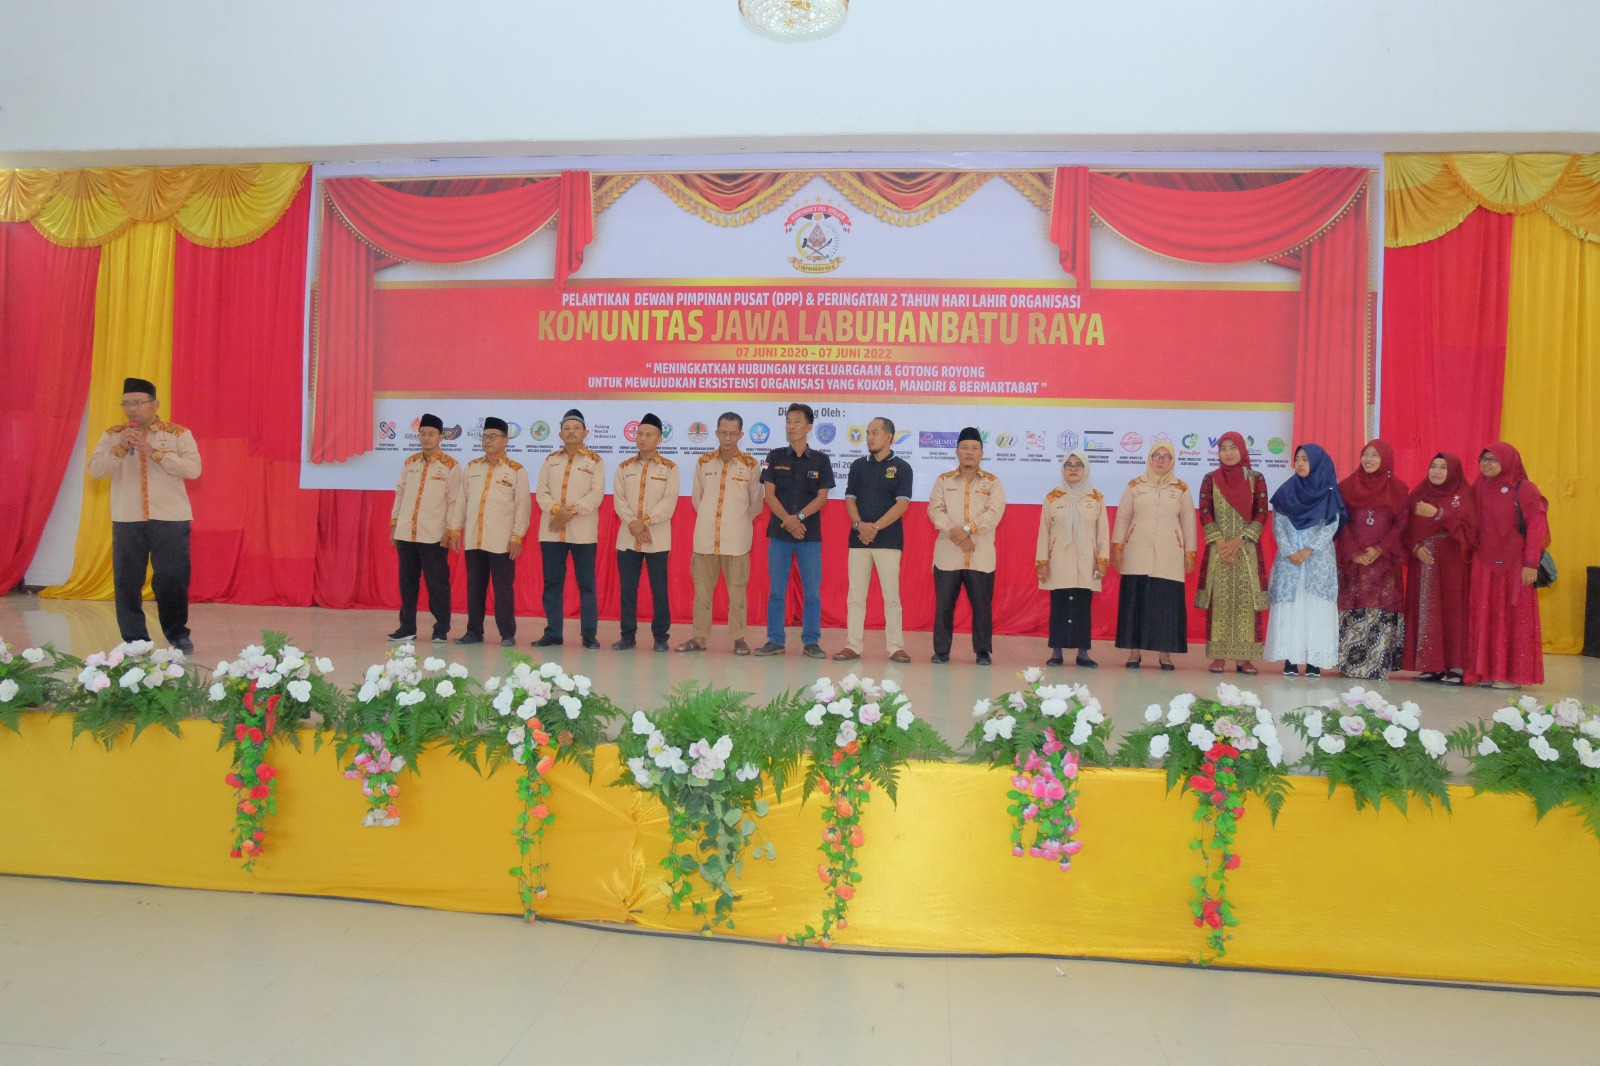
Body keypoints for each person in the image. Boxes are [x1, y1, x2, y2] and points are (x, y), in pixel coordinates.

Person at [87, 377, 203, 653]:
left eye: (138, 403)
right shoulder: (113, 435)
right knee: (127, 581)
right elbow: (95, 470)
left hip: (171, 518)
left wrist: (155, 453)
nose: (132, 409)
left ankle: (177, 634)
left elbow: (193, 470)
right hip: (127, 518)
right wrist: (119, 449)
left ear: (155, 404)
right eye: (126, 404)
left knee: (172, 578)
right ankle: (135, 639)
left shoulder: (177, 433)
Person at [679, 412, 764, 655]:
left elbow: (755, 505)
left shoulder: (751, 465)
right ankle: (699, 638)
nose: (728, 438)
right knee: (702, 590)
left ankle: (739, 638)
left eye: (733, 433)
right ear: (716, 433)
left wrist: (734, 522)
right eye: (723, 433)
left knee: (737, 591)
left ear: (741, 434)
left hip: (736, 541)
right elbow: (698, 500)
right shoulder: (704, 462)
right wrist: (712, 520)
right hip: (705, 538)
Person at [1465, 442, 1548, 689]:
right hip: (1484, 564)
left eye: (1492, 459)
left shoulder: (1525, 489)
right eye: (1483, 459)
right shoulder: (1480, 486)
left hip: (1515, 564)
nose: (1486, 464)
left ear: (1508, 461)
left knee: (1513, 616)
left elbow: (1537, 527)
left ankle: (1511, 675)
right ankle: (1487, 673)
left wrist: (1531, 563)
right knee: (1486, 615)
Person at [754, 403, 834, 659]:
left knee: (812, 592)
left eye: (797, 421)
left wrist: (798, 518)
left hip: (809, 535)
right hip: (780, 534)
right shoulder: (775, 456)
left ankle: (811, 641)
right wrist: (788, 521)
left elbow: (822, 497)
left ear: (809, 427)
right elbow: (769, 494)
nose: (791, 426)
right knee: (777, 591)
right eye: (788, 421)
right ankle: (775, 640)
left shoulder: (821, 460)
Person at [1112, 441, 1196, 671]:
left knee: (1166, 606)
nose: (1160, 460)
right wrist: (1118, 547)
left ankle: (1165, 655)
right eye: (1156, 456)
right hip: (1136, 553)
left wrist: (1190, 552)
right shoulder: (1135, 486)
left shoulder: (1181, 488)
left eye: (1166, 457)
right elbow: (1123, 517)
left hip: (1170, 555)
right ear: (1149, 459)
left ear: (1172, 461)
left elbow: (1188, 523)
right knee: (1135, 604)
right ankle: (1134, 653)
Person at [836, 417, 914, 663]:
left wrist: (875, 528)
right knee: (855, 596)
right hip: (858, 539)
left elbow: (902, 505)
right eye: (868, 433)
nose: (869, 438)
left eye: (874, 433)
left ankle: (896, 647)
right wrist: (860, 525)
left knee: (892, 597)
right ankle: (852, 646)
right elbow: (850, 499)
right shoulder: (858, 465)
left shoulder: (902, 467)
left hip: (888, 541)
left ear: (889, 437)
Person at [1264, 444, 1346, 678]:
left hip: (1317, 561)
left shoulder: (1329, 493)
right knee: (1291, 608)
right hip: (1289, 561)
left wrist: (1309, 550)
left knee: (1314, 608)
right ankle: (1290, 659)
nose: (1300, 464)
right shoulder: (1286, 492)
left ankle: (1314, 661)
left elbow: (1331, 526)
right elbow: (1278, 525)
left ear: (1318, 463)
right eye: (1297, 459)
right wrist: (1290, 552)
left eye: (1305, 459)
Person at [928, 427, 1006, 665]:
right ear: (957, 452)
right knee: (944, 606)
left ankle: (982, 651)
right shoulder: (943, 480)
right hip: (947, 555)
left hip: (980, 555)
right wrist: (960, 536)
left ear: (981, 453)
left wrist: (967, 529)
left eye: (974, 448)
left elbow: (994, 514)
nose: (969, 452)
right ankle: (941, 651)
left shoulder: (993, 482)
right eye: (964, 448)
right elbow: (935, 511)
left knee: (982, 607)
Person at [1335, 439, 1410, 680]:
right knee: (1354, 608)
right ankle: (1350, 664)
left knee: (1381, 611)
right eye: (1365, 454)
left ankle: (1377, 665)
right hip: (1353, 560)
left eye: (1375, 455)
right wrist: (1354, 552)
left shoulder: (1399, 489)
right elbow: (1340, 520)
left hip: (1384, 561)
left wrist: (1379, 548)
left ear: (1385, 459)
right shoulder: (1346, 486)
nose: (1368, 459)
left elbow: (1402, 523)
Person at [1195, 432, 1268, 675]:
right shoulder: (1210, 479)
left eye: (1233, 447)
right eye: (1223, 448)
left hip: (1246, 551)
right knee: (1220, 602)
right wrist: (1221, 543)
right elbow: (1205, 512)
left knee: (1246, 603)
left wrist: (1240, 540)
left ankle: (1244, 659)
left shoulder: (1256, 479)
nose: (1228, 453)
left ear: (1242, 450)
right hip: (1219, 551)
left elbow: (1261, 513)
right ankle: (1218, 656)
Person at [387, 413, 464, 644]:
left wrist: (451, 530)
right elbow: (400, 494)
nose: (426, 438)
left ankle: (441, 629)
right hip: (406, 533)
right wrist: (394, 525)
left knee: (437, 584)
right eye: (422, 433)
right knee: (407, 583)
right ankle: (407, 628)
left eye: (431, 434)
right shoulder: (410, 463)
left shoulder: (450, 465)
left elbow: (454, 501)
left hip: (434, 536)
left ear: (441, 437)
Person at [1401, 453, 1478, 684]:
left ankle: (1456, 666)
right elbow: (1404, 529)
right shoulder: (1419, 494)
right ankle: (1431, 665)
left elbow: (1470, 531)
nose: (1436, 471)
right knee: (1426, 610)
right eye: (1433, 466)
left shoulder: (1464, 495)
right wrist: (1415, 548)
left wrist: (1438, 514)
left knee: (1452, 611)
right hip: (1423, 562)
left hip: (1453, 563)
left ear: (1453, 471)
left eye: (1443, 467)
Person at [533, 409, 605, 650]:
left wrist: (567, 514)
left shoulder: (595, 461)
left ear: (585, 432)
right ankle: (553, 633)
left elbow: (595, 495)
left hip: (583, 533)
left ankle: (589, 635)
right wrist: (556, 510)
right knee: (552, 583)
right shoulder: (550, 460)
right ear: (560, 434)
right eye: (567, 428)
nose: (571, 432)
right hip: (551, 532)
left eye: (576, 428)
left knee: (586, 585)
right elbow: (541, 492)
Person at [456, 417, 529, 647]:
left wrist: (517, 536)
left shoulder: (516, 470)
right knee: (475, 588)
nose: (487, 441)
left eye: (493, 437)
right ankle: (474, 632)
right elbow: (461, 501)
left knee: (503, 589)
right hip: (474, 539)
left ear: (505, 440)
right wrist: (455, 529)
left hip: (501, 541)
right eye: (485, 436)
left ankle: (507, 633)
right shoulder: (471, 467)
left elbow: (523, 506)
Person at [1035, 450, 1109, 668]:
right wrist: (1042, 562)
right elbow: (1043, 532)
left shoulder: (1096, 498)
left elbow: (1103, 531)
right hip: (1059, 560)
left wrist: (1102, 560)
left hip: (1087, 561)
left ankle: (1083, 653)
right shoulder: (1053, 497)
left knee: (1083, 607)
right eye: (1069, 465)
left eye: (1078, 465)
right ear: (1063, 469)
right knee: (1059, 606)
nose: (1073, 469)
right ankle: (1056, 652)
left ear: (1085, 469)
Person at [612, 413, 679, 652]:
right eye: (639, 434)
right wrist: (635, 524)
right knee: (628, 590)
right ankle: (627, 636)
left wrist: (645, 522)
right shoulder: (624, 467)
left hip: (657, 539)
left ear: (659, 439)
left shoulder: (670, 468)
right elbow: (619, 501)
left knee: (659, 590)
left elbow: (668, 504)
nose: (642, 438)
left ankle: (661, 637)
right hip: (628, 538)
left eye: (649, 435)